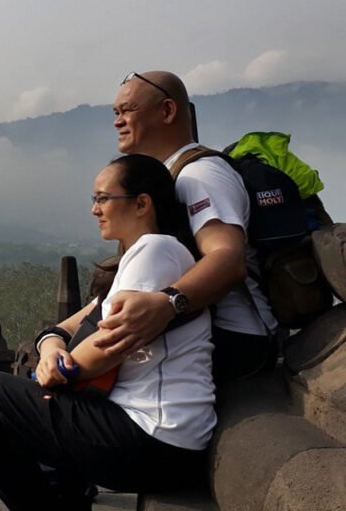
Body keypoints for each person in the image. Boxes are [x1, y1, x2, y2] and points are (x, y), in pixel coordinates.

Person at [0, 154, 215, 511]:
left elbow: (106, 347)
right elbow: (64, 326)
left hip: (154, 436)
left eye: (103, 198)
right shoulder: (138, 260)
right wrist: (50, 349)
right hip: (152, 437)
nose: (95, 209)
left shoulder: (158, 249)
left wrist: (59, 368)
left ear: (141, 204)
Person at [96, 71, 277, 381]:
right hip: (201, 327)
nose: (118, 121)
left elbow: (228, 258)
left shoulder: (200, 175)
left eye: (128, 110)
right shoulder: (169, 175)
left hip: (234, 338)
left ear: (167, 111)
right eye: (116, 113)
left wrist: (166, 303)